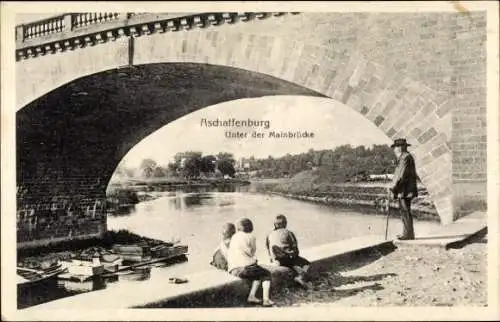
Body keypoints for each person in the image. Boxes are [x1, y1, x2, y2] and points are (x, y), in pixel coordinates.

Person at [227, 218, 274, 307]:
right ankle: (266, 300)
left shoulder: (234, 236)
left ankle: (252, 296)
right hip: (244, 268)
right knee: (266, 274)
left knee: (256, 276)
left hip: (233, 269)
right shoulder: (251, 236)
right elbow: (252, 252)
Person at [266, 214, 310, 288]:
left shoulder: (269, 234)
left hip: (276, 259)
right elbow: (295, 247)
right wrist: (295, 255)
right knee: (307, 264)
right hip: (287, 258)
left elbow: (268, 247)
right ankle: (300, 277)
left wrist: (271, 259)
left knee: (291, 264)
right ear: (285, 224)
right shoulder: (288, 232)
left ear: (275, 225)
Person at [390, 138, 418, 240]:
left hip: (405, 190)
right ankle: (407, 233)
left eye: (396, 147)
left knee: (405, 211)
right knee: (404, 211)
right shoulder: (404, 157)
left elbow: (401, 175)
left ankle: (408, 234)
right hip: (404, 190)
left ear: (401, 147)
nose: (394, 149)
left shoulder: (405, 158)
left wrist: (393, 187)